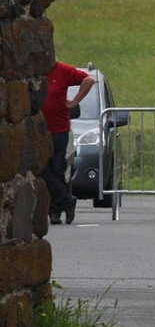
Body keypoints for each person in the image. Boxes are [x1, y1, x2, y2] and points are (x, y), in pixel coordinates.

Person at [41, 61, 95, 224]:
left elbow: (88, 80)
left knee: (57, 170)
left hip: (59, 128)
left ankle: (55, 212)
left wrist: (74, 101)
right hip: (38, 130)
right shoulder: (34, 71)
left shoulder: (62, 70)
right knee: (42, 168)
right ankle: (66, 200)